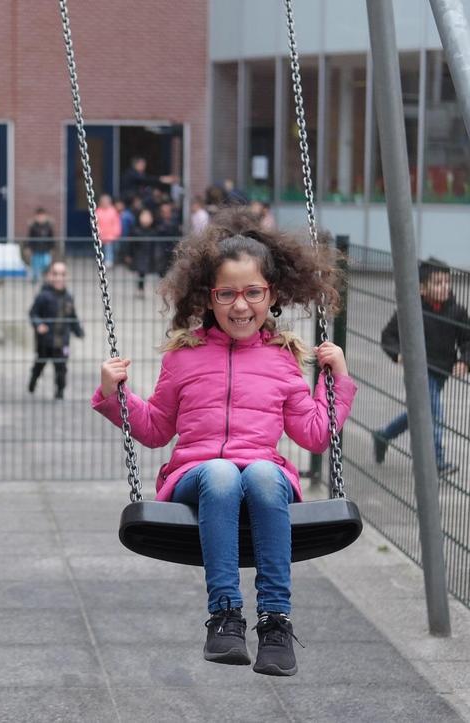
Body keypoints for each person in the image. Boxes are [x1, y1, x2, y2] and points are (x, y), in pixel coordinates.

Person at [92, 207, 356, 676]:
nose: (240, 305)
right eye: (227, 294)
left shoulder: (282, 360)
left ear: (271, 295)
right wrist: (117, 395)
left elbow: (314, 435)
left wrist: (334, 381)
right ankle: (226, 616)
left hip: (262, 476)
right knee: (219, 472)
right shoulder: (184, 357)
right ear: (207, 298)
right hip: (196, 475)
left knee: (258, 471)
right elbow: (155, 429)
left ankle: (275, 621)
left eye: (253, 292)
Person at [372, 258, 470, 476]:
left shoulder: (458, 312)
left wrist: (465, 360)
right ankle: (437, 461)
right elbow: (388, 335)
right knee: (433, 414)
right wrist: (397, 353)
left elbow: (467, 340)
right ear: (422, 288)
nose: (444, 287)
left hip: (442, 370)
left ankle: (384, 435)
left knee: (419, 413)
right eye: (437, 283)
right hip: (419, 371)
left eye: (447, 282)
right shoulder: (411, 309)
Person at [29, 260, 84, 400]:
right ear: (49, 276)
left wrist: (78, 330)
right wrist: (38, 324)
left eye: (62, 274)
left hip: (62, 342)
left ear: (67, 277)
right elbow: (33, 313)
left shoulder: (68, 297)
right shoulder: (43, 296)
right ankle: (33, 380)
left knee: (61, 369)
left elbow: (72, 316)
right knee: (39, 364)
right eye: (55, 274)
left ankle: (60, 392)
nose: (59, 277)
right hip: (45, 341)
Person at [26, 207, 56, 282]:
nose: (40, 218)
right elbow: (30, 238)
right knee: (35, 264)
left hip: (45, 249)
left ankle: (44, 276)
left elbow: (51, 238)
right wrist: (29, 248)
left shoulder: (48, 227)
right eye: (39, 216)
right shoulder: (33, 227)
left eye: (42, 216)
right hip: (36, 250)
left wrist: (52, 248)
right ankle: (35, 278)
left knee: (46, 263)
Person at [95, 194, 122, 268]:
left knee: (109, 248)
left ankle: (109, 261)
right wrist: (98, 232)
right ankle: (101, 260)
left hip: (111, 235)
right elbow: (96, 224)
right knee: (101, 249)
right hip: (101, 234)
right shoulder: (98, 211)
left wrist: (116, 232)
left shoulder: (113, 211)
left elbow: (116, 223)